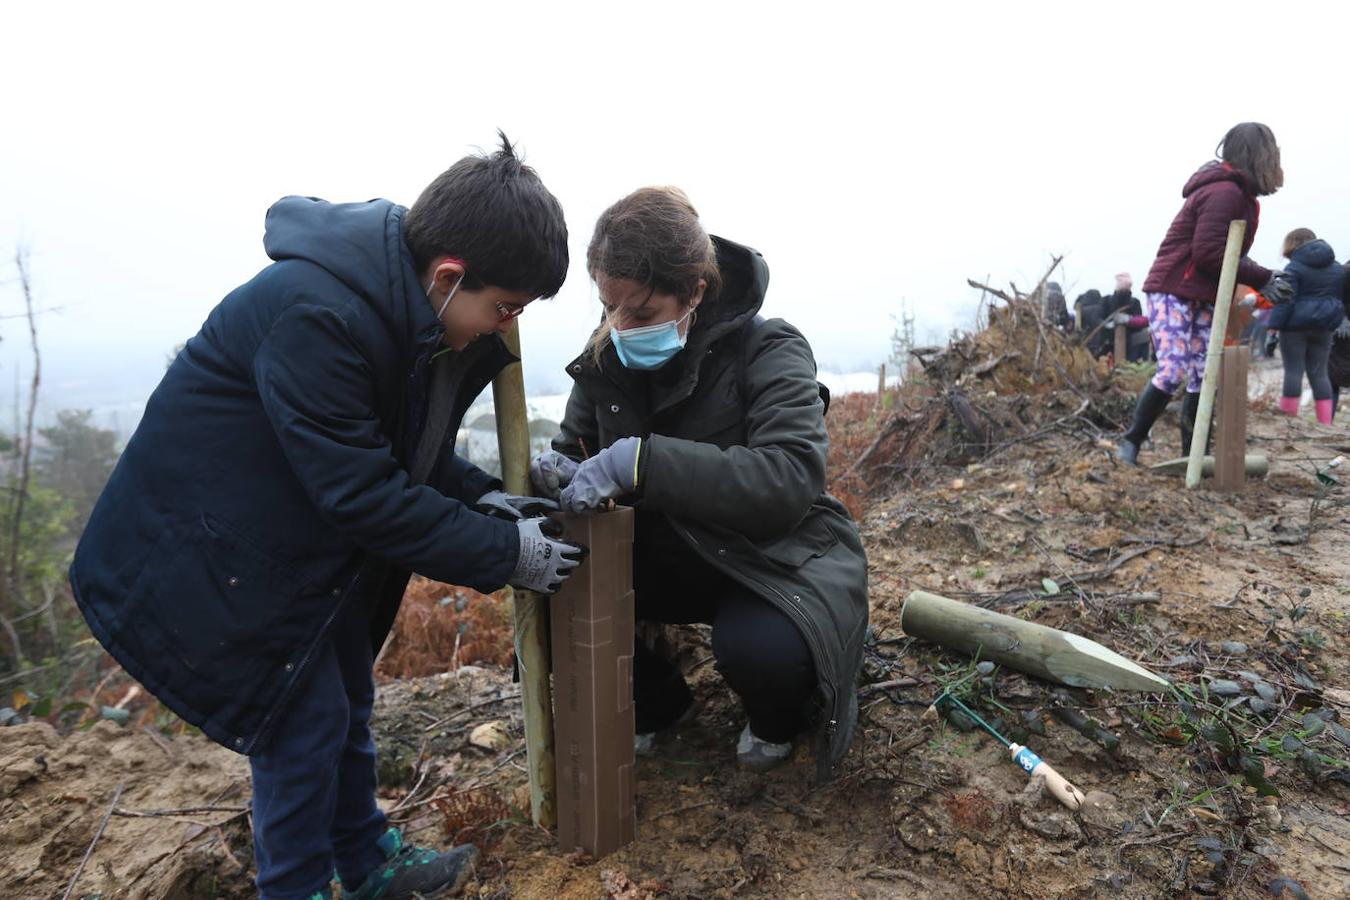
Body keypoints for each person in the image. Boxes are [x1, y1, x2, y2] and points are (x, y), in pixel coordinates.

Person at [69, 135, 585, 900]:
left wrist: (484, 500)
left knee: (346, 699)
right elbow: (363, 494)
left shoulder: (399, 310)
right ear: (449, 275)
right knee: (300, 725)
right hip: (212, 553)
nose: (501, 327)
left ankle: (368, 861)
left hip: (296, 542)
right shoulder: (319, 316)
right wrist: (503, 554)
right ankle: (299, 886)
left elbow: (400, 455)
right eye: (502, 308)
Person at [530, 187, 868, 779]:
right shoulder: (606, 357)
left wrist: (644, 463)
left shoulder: (770, 348)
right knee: (547, 579)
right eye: (610, 307)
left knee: (760, 649)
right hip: (663, 555)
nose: (620, 325)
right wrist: (557, 473)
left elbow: (788, 479)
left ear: (697, 291)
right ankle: (660, 708)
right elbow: (574, 451)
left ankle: (777, 718)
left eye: (641, 312)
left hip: (762, 556)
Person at [1117, 122, 1291, 465]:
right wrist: (1264, 276)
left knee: (1202, 374)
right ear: (1259, 156)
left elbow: (1226, 256)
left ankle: (1192, 456)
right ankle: (1130, 444)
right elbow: (1210, 252)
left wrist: (1262, 277)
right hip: (1173, 289)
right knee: (1173, 370)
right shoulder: (1225, 192)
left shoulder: (1241, 196)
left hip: (1204, 293)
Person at [1269, 228, 1345, 424]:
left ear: (1292, 243)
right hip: (1325, 327)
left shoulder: (1294, 268)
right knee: (1320, 374)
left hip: (1295, 327)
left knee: (1294, 371)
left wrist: (1273, 326)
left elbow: (1285, 299)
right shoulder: (1337, 268)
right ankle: (1326, 423)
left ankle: (1289, 421)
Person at [1104, 272, 1151, 362]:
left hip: (1132, 343)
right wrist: (1109, 325)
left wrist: (1128, 321)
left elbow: (1140, 323)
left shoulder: (1135, 302)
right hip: (1111, 343)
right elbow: (1101, 320)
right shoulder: (1107, 301)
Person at [1330, 261, 1350, 418]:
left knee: (1333, 376)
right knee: (1334, 376)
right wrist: (1341, 318)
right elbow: (1334, 297)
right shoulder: (1344, 272)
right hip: (1343, 331)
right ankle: (1326, 418)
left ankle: (1326, 418)